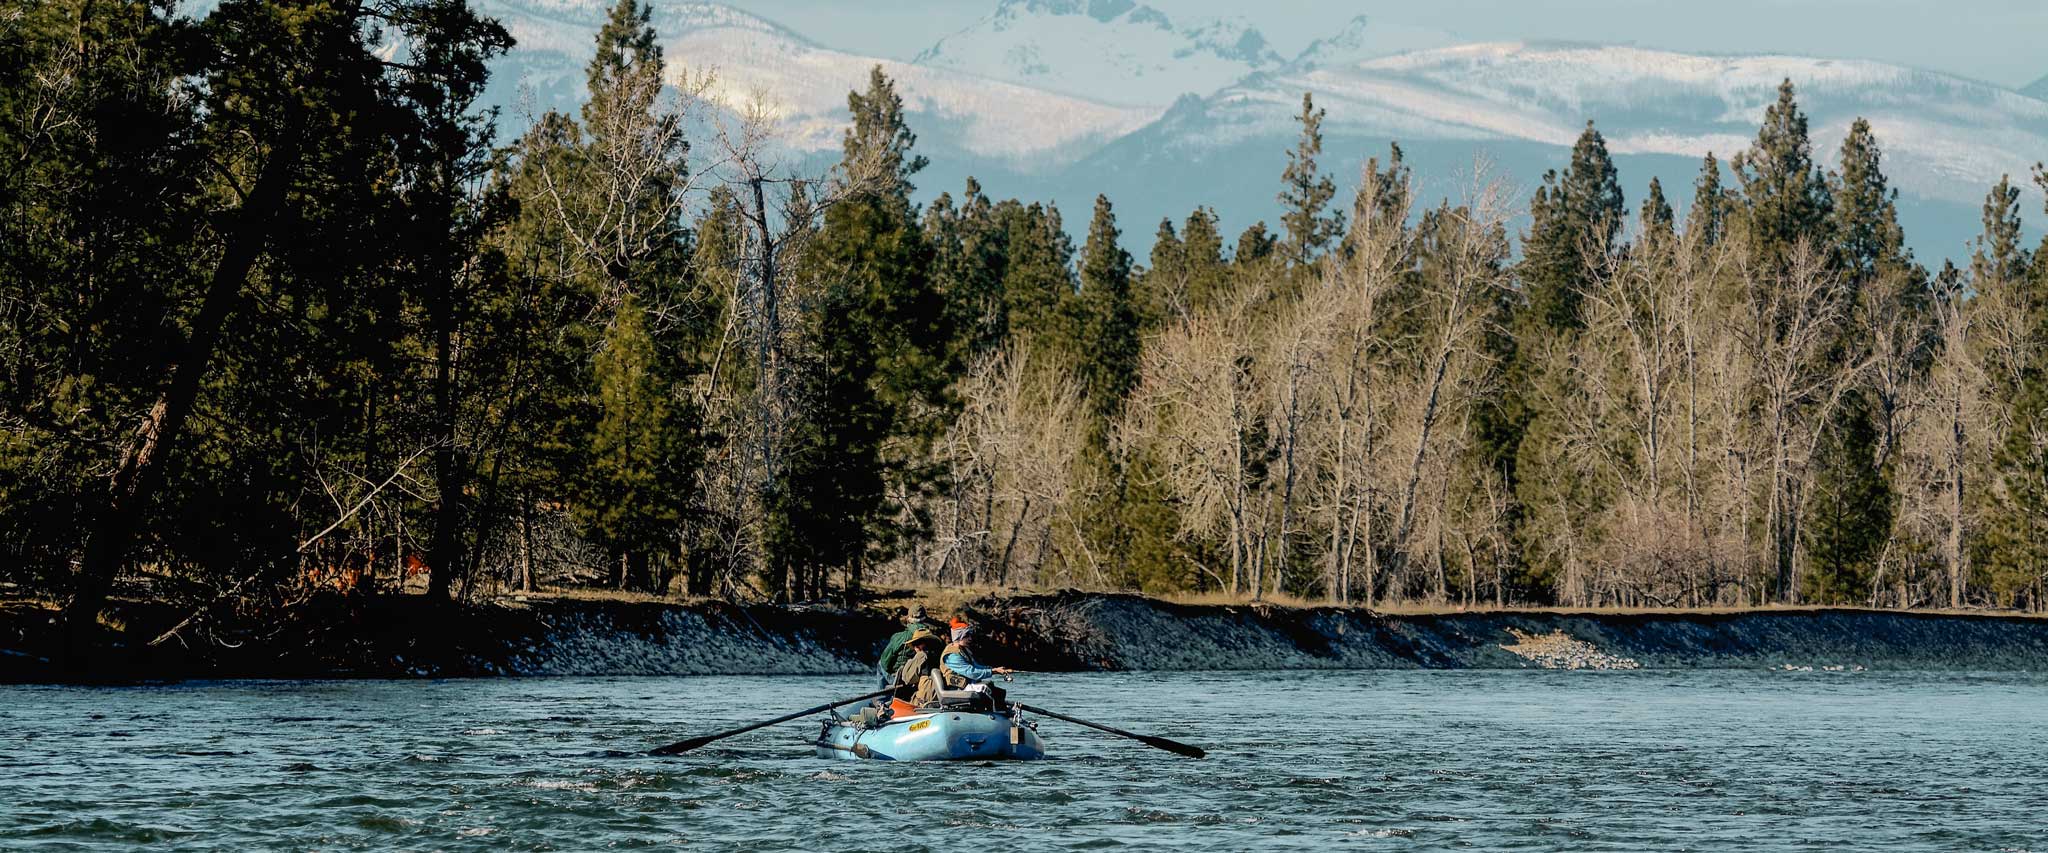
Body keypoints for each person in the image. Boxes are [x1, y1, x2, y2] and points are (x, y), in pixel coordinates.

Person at [939, 620, 1014, 708]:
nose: (970, 638)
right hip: (957, 688)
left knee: (998, 692)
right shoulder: (952, 655)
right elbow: (972, 673)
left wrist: (995, 669)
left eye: (970, 635)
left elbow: (976, 666)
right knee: (985, 689)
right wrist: (993, 671)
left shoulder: (964, 650)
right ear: (958, 637)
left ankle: (1000, 712)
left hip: (968, 685)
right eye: (967, 636)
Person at [875, 604, 934, 687]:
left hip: (901, 680)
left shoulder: (900, 637)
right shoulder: (932, 637)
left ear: (909, 618)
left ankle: (883, 695)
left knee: (880, 664)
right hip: (923, 679)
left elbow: (885, 662)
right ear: (925, 618)